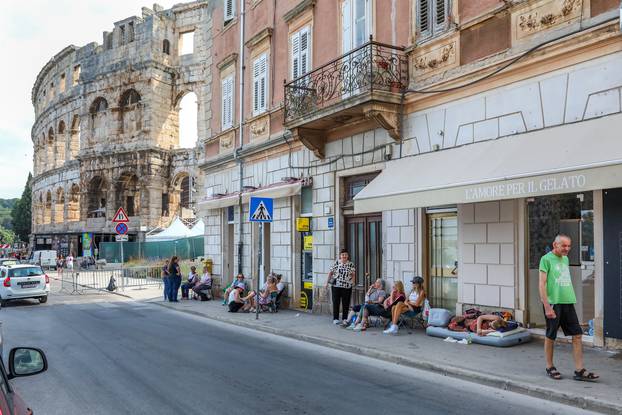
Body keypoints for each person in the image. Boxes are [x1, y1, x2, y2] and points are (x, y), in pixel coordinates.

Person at [540, 234, 599, 381]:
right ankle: (549, 366)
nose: (567, 249)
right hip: (554, 303)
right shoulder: (546, 259)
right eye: (564, 246)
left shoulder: (565, 259)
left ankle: (579, 370)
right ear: (555, 245)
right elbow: (542, 284)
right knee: (551, 335)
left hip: (567, 302)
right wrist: (547, 306)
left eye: (569, 246)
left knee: (577, 334)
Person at [325, 249, 355, 325]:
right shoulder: (336, 263)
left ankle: (345, 318)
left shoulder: (351, 264)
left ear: (347, 256)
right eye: (343, 255)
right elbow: (331, 273)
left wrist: (353, 282)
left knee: (346, 303)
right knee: (336, 302)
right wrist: (326, 282)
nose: (344, 256)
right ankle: (336, 318)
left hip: (347, 286)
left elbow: (353, 274)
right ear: (340, 256)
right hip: (336, 286)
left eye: (345, 255)